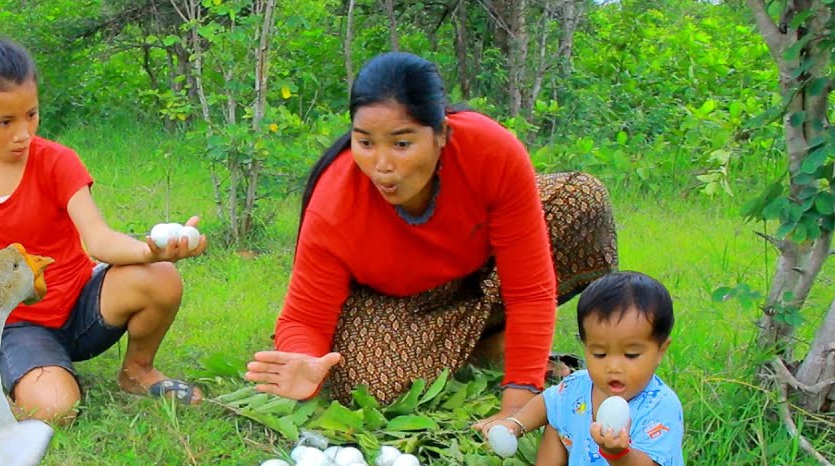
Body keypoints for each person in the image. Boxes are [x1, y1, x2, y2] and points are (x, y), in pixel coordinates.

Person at [244, 52, 617, 428]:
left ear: (441, 133)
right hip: (398, 302)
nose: (382, 164)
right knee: (370, 382)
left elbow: (529, 289)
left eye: (401, 144)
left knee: (581, 199)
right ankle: (485, 347)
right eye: (366, 143)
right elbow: (305, 317)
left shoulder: (491, 152)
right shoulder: (335, 203)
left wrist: (515, 407)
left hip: (485, 272)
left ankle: (495, 347)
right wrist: (304, 359)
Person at [0, 39, 206, 424]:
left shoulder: (56, 161)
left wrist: (153, 252)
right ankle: (13, 386)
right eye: (5, 122)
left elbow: (98, 240)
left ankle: (137, 371)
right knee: (55, 408)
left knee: (161, 278)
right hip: (15, 326)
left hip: (82, 307)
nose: (23, 133)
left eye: (31, 115)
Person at [494, 272, 690, 466]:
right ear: (585, 346)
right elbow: (546, 404)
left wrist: (617, 452)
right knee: (556, 425)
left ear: (660, 350)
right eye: (599, 354)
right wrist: (515, 425)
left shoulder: (661, 406)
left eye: (631, 355)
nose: (613, 367)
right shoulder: (578, 386)